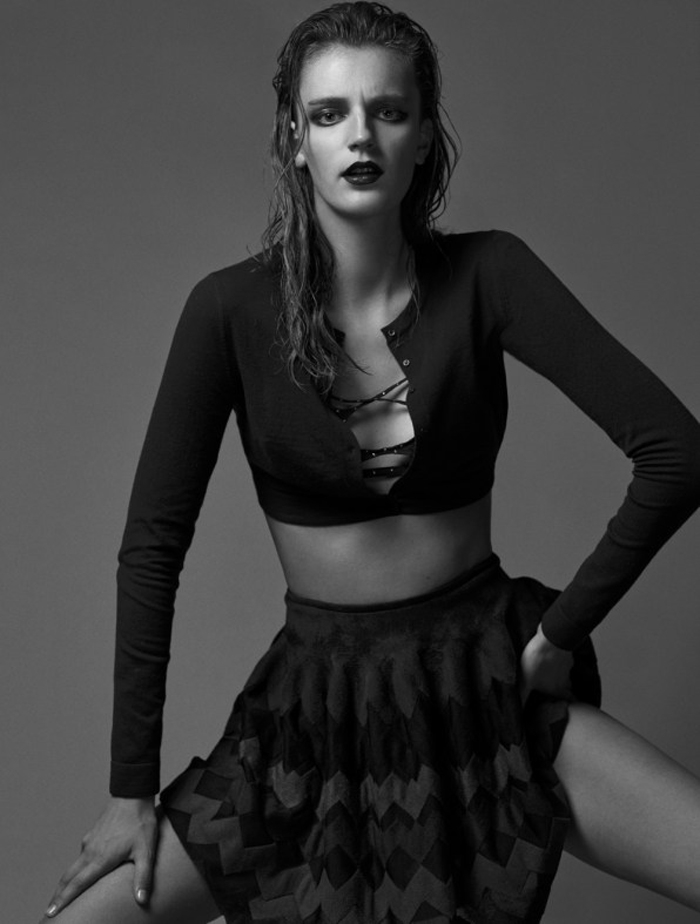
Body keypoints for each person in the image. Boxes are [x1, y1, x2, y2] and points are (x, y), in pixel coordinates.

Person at [41, 3, 700, 923]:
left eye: (388, 111)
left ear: (424, 135)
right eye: (329, 114)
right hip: (308, 724)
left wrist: (559, 635)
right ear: (294, 138)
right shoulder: (228, 311)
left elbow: (676, 452)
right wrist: (129, 790)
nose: (360, 136)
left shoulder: (492, 275)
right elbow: (152, 548)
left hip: (486, 692)